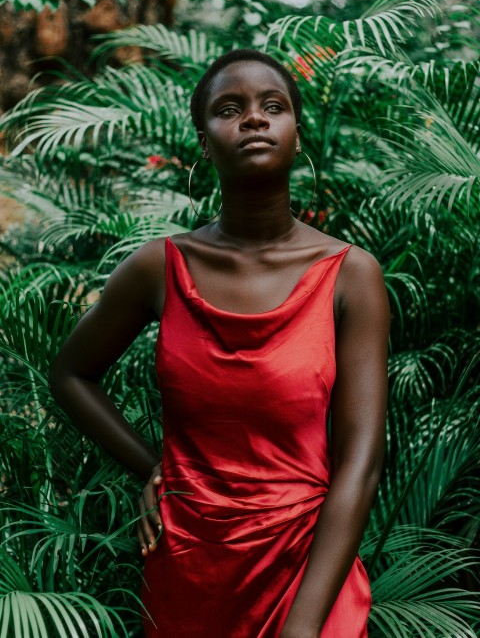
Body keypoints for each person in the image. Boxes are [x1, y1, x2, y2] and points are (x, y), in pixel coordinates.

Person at [49, 48, 390, 637]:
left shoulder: (350, 275)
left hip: (307, 569)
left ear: (295, 132)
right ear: (204, 143)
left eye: (272, 106)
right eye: (229, 109)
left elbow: (361, 460)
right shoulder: (159, 267)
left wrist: (304, 626)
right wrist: (152, 466)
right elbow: (70, 376)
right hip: (192, 566)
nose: (253, 119)